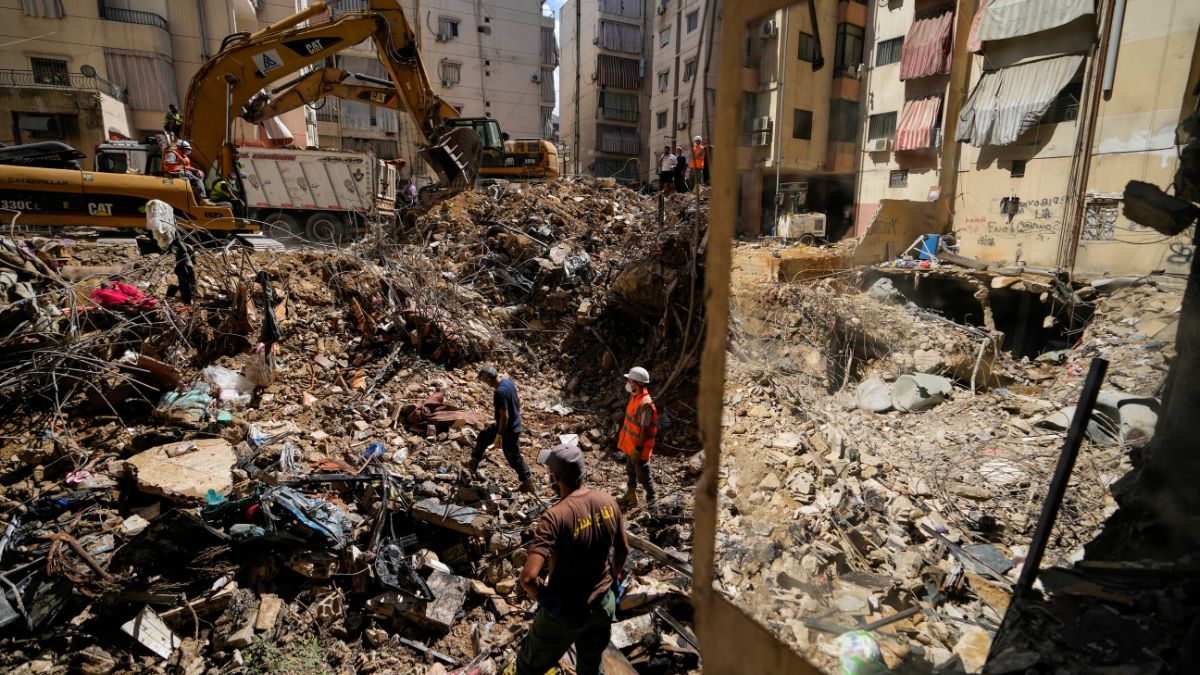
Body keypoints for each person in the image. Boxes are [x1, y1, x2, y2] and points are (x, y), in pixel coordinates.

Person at [514, 443, 628, 675]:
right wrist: (613, 580)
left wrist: (546, 599)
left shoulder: (554, 518)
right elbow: (623, 549)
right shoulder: (608, 502)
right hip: (602, 605)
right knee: (590, 666)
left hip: (566, 611)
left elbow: (527, 578)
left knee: (528, 665)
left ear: (555, 478)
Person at [467, 366, 535, 492]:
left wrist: (499, 437)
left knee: (513, 456)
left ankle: (528, 482)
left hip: (509, 428)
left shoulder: (499, 392)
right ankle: (473, 462)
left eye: (483, 381)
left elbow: (505, 416)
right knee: (483, 436)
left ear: (488, 379)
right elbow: (518, 400)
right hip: (508, 424)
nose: (484, 384)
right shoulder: (508, 382)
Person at [617, 366, 657, 507]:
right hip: (630, 446)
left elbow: (644, 430)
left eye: (630, 380)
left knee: (644, 477)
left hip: (639, 449)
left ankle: (653, 504)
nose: (628, 382)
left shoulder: (645, 404)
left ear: (637, 383)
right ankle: (631, 495)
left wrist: (638, 449)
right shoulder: (634, 396)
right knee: (630, 471)